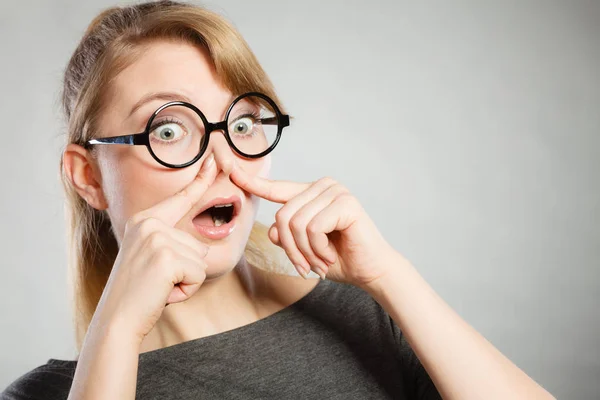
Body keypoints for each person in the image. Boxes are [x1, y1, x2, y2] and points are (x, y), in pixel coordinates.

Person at [1, 1, 555, 399]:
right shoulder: (52, 393)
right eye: (169, 131)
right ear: (88, 176)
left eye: (241, 123)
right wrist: (116, 332)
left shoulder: (361, 314)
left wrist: (391, 278)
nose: (222, 161)